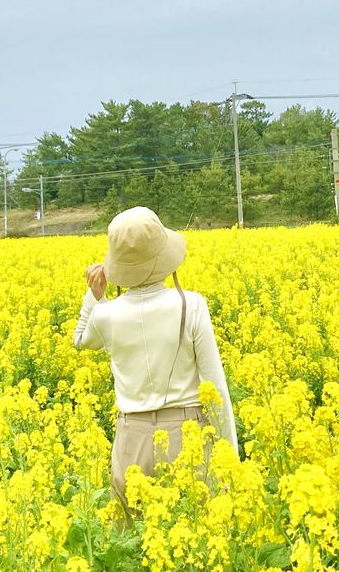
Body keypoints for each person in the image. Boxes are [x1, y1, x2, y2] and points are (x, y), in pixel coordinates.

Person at [73, 206, 238, 510]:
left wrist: (94, 296)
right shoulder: (192, 306)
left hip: (130, 442)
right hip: (187, 438)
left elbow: (80, 340)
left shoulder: (106, 315)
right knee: (193, 540)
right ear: (164, 256)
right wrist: (230, 456)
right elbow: (215, 388)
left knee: (133, 546)